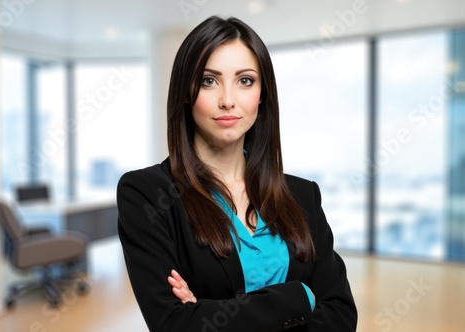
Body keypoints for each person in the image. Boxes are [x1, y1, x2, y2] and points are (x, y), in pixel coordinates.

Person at [117, 15, 357, 332]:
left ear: (263, 93)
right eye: (209, 80)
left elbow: (341, 315)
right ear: (187, 92)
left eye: (245, 81)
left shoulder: (303, 196)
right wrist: (298, 299)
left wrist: (208, 312)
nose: (228, 100)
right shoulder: (146, 193)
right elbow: (174, 325)